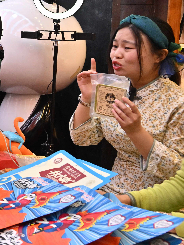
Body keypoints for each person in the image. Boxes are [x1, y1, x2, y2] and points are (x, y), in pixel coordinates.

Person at [71, 15, 184, 194]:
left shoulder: (178, 102)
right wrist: (86, 99)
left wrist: (136, 132)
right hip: (111, 189)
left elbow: (177, 171)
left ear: (160, 55)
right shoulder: (113, 87)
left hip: (155, 198)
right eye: (115, 46)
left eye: (128, 47)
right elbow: (84, 139)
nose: (116, 54)